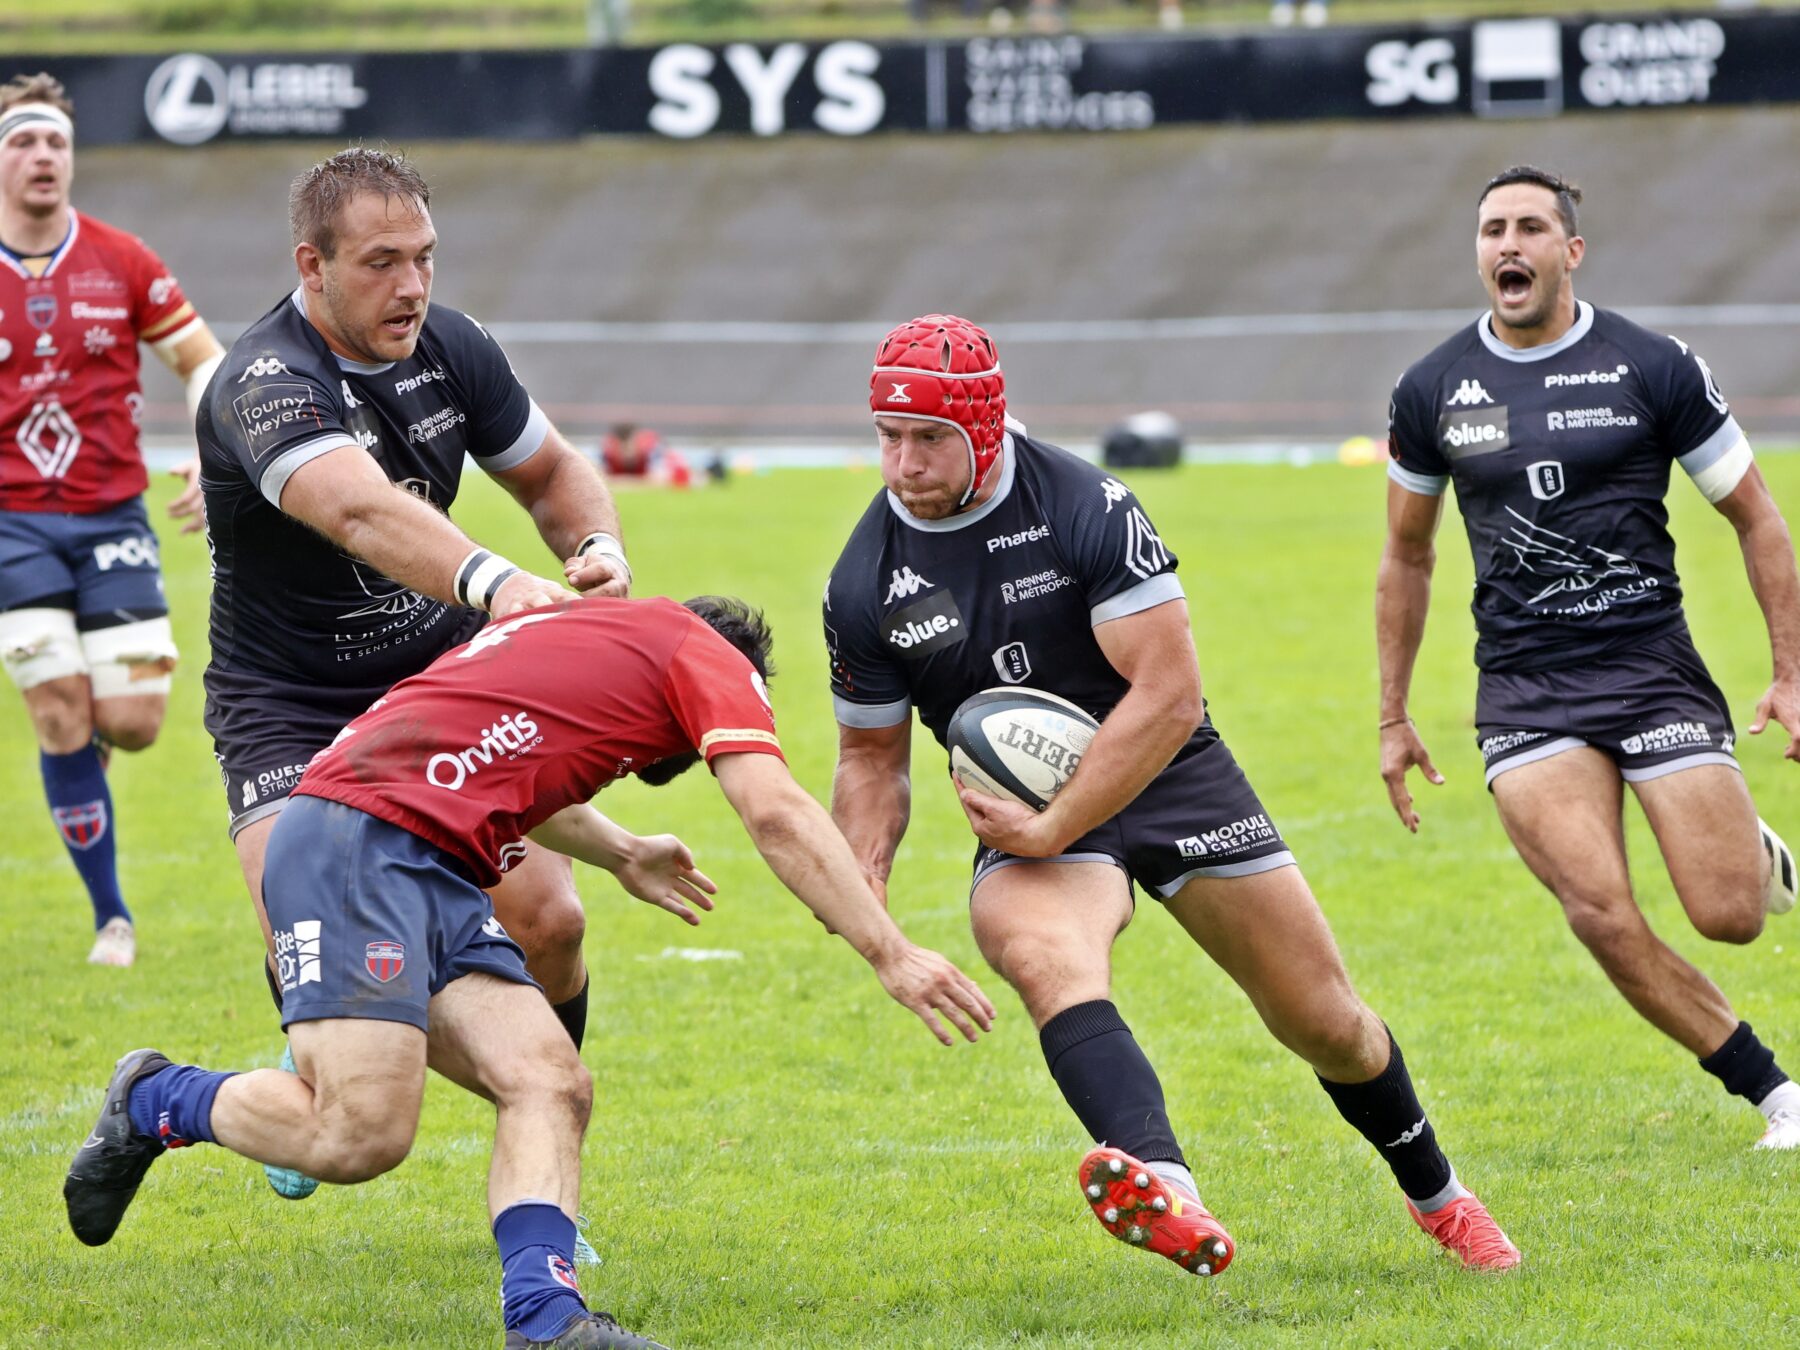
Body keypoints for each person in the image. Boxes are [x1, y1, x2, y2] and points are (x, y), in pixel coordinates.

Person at [64, 592, 994, 1349]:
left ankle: (547, 1320)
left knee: (550, 1081)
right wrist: (893, 952)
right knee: (360, 1137)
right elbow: (777, 810)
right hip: (359, 847)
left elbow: (504, 764)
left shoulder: (578, 639)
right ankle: (156, 1097)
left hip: (427, 861)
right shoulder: (707, 657)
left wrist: (623, 851)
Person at [824, 314, 1519, 1274]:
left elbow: (1168, 693)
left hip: (1167, 769)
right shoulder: (865, 579)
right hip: (1024, 808)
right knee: (1047, 960)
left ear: (984, 424)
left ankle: (1441, 1199)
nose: (905, 465)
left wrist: (1056, 822)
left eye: (930, 438)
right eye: (888, 437)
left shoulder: (1085, 505)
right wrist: (864, 889)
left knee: (1327, 1022)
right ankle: (1166, 1188)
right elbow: (870, 761)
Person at [196, 145, 632, 1209]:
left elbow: (552, 472)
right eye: (382, 262)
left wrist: (597, 548)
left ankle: (540, 1136)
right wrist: (498, 583)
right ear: (313, 265)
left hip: (432, 690)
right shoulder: (261, 382)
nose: (413, 286)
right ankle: (296, 1054)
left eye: (425, 257)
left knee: (553, 923)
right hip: (288, 710)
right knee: (330, 989)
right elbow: (357, 509)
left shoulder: (452, 348)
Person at [1378, 165, 1800, 1151]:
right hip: (1525, 687)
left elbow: (1757, 518)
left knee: (1730, 913)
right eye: (1493, 230)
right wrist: (1393, 715)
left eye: (1530, 228)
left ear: (1570, 251)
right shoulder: (1432, 388)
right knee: (1599, 912)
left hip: (1649, 667)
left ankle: (1750, 850)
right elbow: (1406, 554)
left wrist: (1790, 672)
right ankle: (1777, 1095)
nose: (1508, 245)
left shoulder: (1650, 366)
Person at [0, 72, 224, 968]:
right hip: (11, 526)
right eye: (23, 140)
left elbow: (202, 361)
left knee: (131, 719)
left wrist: (212, 445)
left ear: (72, 157)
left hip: (111, 516)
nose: (42, 155)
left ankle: (79, 738)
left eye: (55, 141)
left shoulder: (122, 260)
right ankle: (113, 920)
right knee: (59, 710)